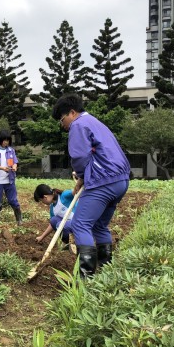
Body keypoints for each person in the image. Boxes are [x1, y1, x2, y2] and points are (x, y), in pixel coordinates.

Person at [53, 93, 130, 278]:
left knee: (80, 225)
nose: (62, 125)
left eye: (62, 120)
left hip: (103, 181)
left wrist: (81, 174)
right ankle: (106, 273)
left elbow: (80, 157)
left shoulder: (78, 125)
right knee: (99, 227)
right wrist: (82, 179)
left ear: (72, 113)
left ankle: (85, 278)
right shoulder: (96, 123)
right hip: (121, 181)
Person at [33, 184, 78, 251]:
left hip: (79, 222)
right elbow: (52, 224)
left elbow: (76, 191)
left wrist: (80, 181)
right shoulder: (52, 208)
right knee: (54, 220)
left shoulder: (64, 196)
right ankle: (69, 243)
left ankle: (77, 242)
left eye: (41, 200)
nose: (43, 203)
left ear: (45, 197)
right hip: (69, 226)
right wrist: (42, 237)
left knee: (60, 225)